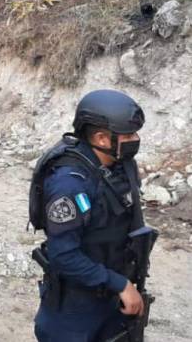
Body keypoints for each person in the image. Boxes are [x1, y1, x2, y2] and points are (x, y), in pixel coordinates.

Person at [31, 89, 151, 341]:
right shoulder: (70, 183)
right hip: (74, 310)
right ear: (102, 138)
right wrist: (121, 285)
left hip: (110, 293)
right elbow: (63, 256)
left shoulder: (121, 166)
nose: (135, 139)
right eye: (128, 134)